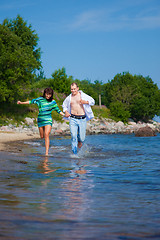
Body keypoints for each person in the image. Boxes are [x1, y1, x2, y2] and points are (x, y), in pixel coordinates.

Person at [17, 87, 65, 156]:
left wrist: (64, 115)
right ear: (44, 93)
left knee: (46, 134)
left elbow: (58, 110)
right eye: (47, 94)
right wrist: (21, 103)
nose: (48, 96)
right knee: (42, 136)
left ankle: (46, 153)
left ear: (51, 95)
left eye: (49, 94)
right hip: (40, 120)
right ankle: (45, 146)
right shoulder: (40, 99)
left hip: (48, 120)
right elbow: (31, 101)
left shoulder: (53, 102)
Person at [62, 82, 95, 154]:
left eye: (74, 89)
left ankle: (80, 140)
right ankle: (75, 153)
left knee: (82, 138)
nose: (73, 91)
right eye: (71, 89)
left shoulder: (83, 96)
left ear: (77, 88)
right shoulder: (69, 98)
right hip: (73, 119)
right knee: (73, 137)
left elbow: (93, 101)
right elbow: (64, 105)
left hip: (82, 119)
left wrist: (86, 102)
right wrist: (66, 112)